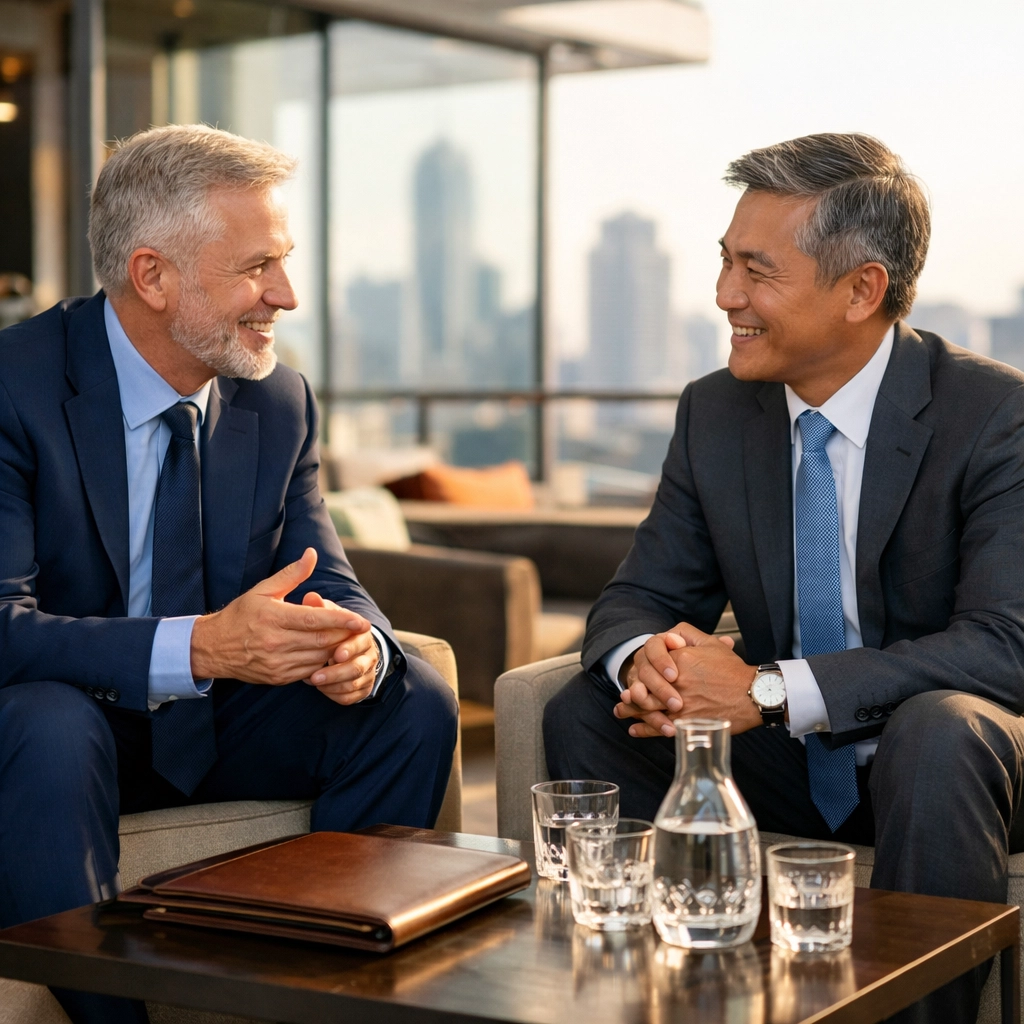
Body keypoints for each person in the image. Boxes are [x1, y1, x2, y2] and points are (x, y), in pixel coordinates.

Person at [544, 133, 1024, 1024]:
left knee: (937, 731)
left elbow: (1006, 648)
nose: (726, 297)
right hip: (795, 763)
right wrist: (650, 661)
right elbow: (638, 597)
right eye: (724, 264)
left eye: (756, 272)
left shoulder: (994, 414)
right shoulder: (716, 410)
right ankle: (670, 1001)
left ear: (862, 290)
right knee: (588, 710)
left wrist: (766, 691)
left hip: (954, 763)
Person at [0, 125, 458, 1024]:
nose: (284, 295)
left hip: (211, 723)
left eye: (282, 263)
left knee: (412, 697)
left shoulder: (277, 396)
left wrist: (356, 642)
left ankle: (319, 995)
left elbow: (324, 568)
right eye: (258, 268)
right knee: (50, 727)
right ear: (152, 275)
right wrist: (203, 646)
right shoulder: (14, 386)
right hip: (59, 722)